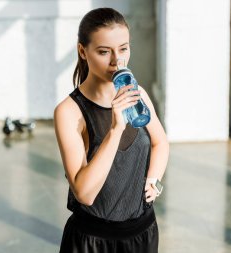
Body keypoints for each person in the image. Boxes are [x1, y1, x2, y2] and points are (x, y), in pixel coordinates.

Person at [54, 7, 169, 253]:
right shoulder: (69, 112)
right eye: (104, 52)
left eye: (124, 48)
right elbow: (84, 193)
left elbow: (160, 142)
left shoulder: (139, 96)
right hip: (93, 242)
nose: (117, 61)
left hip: (142, 235)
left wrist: (154, 181)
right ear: (83, 51)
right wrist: (115, 129)